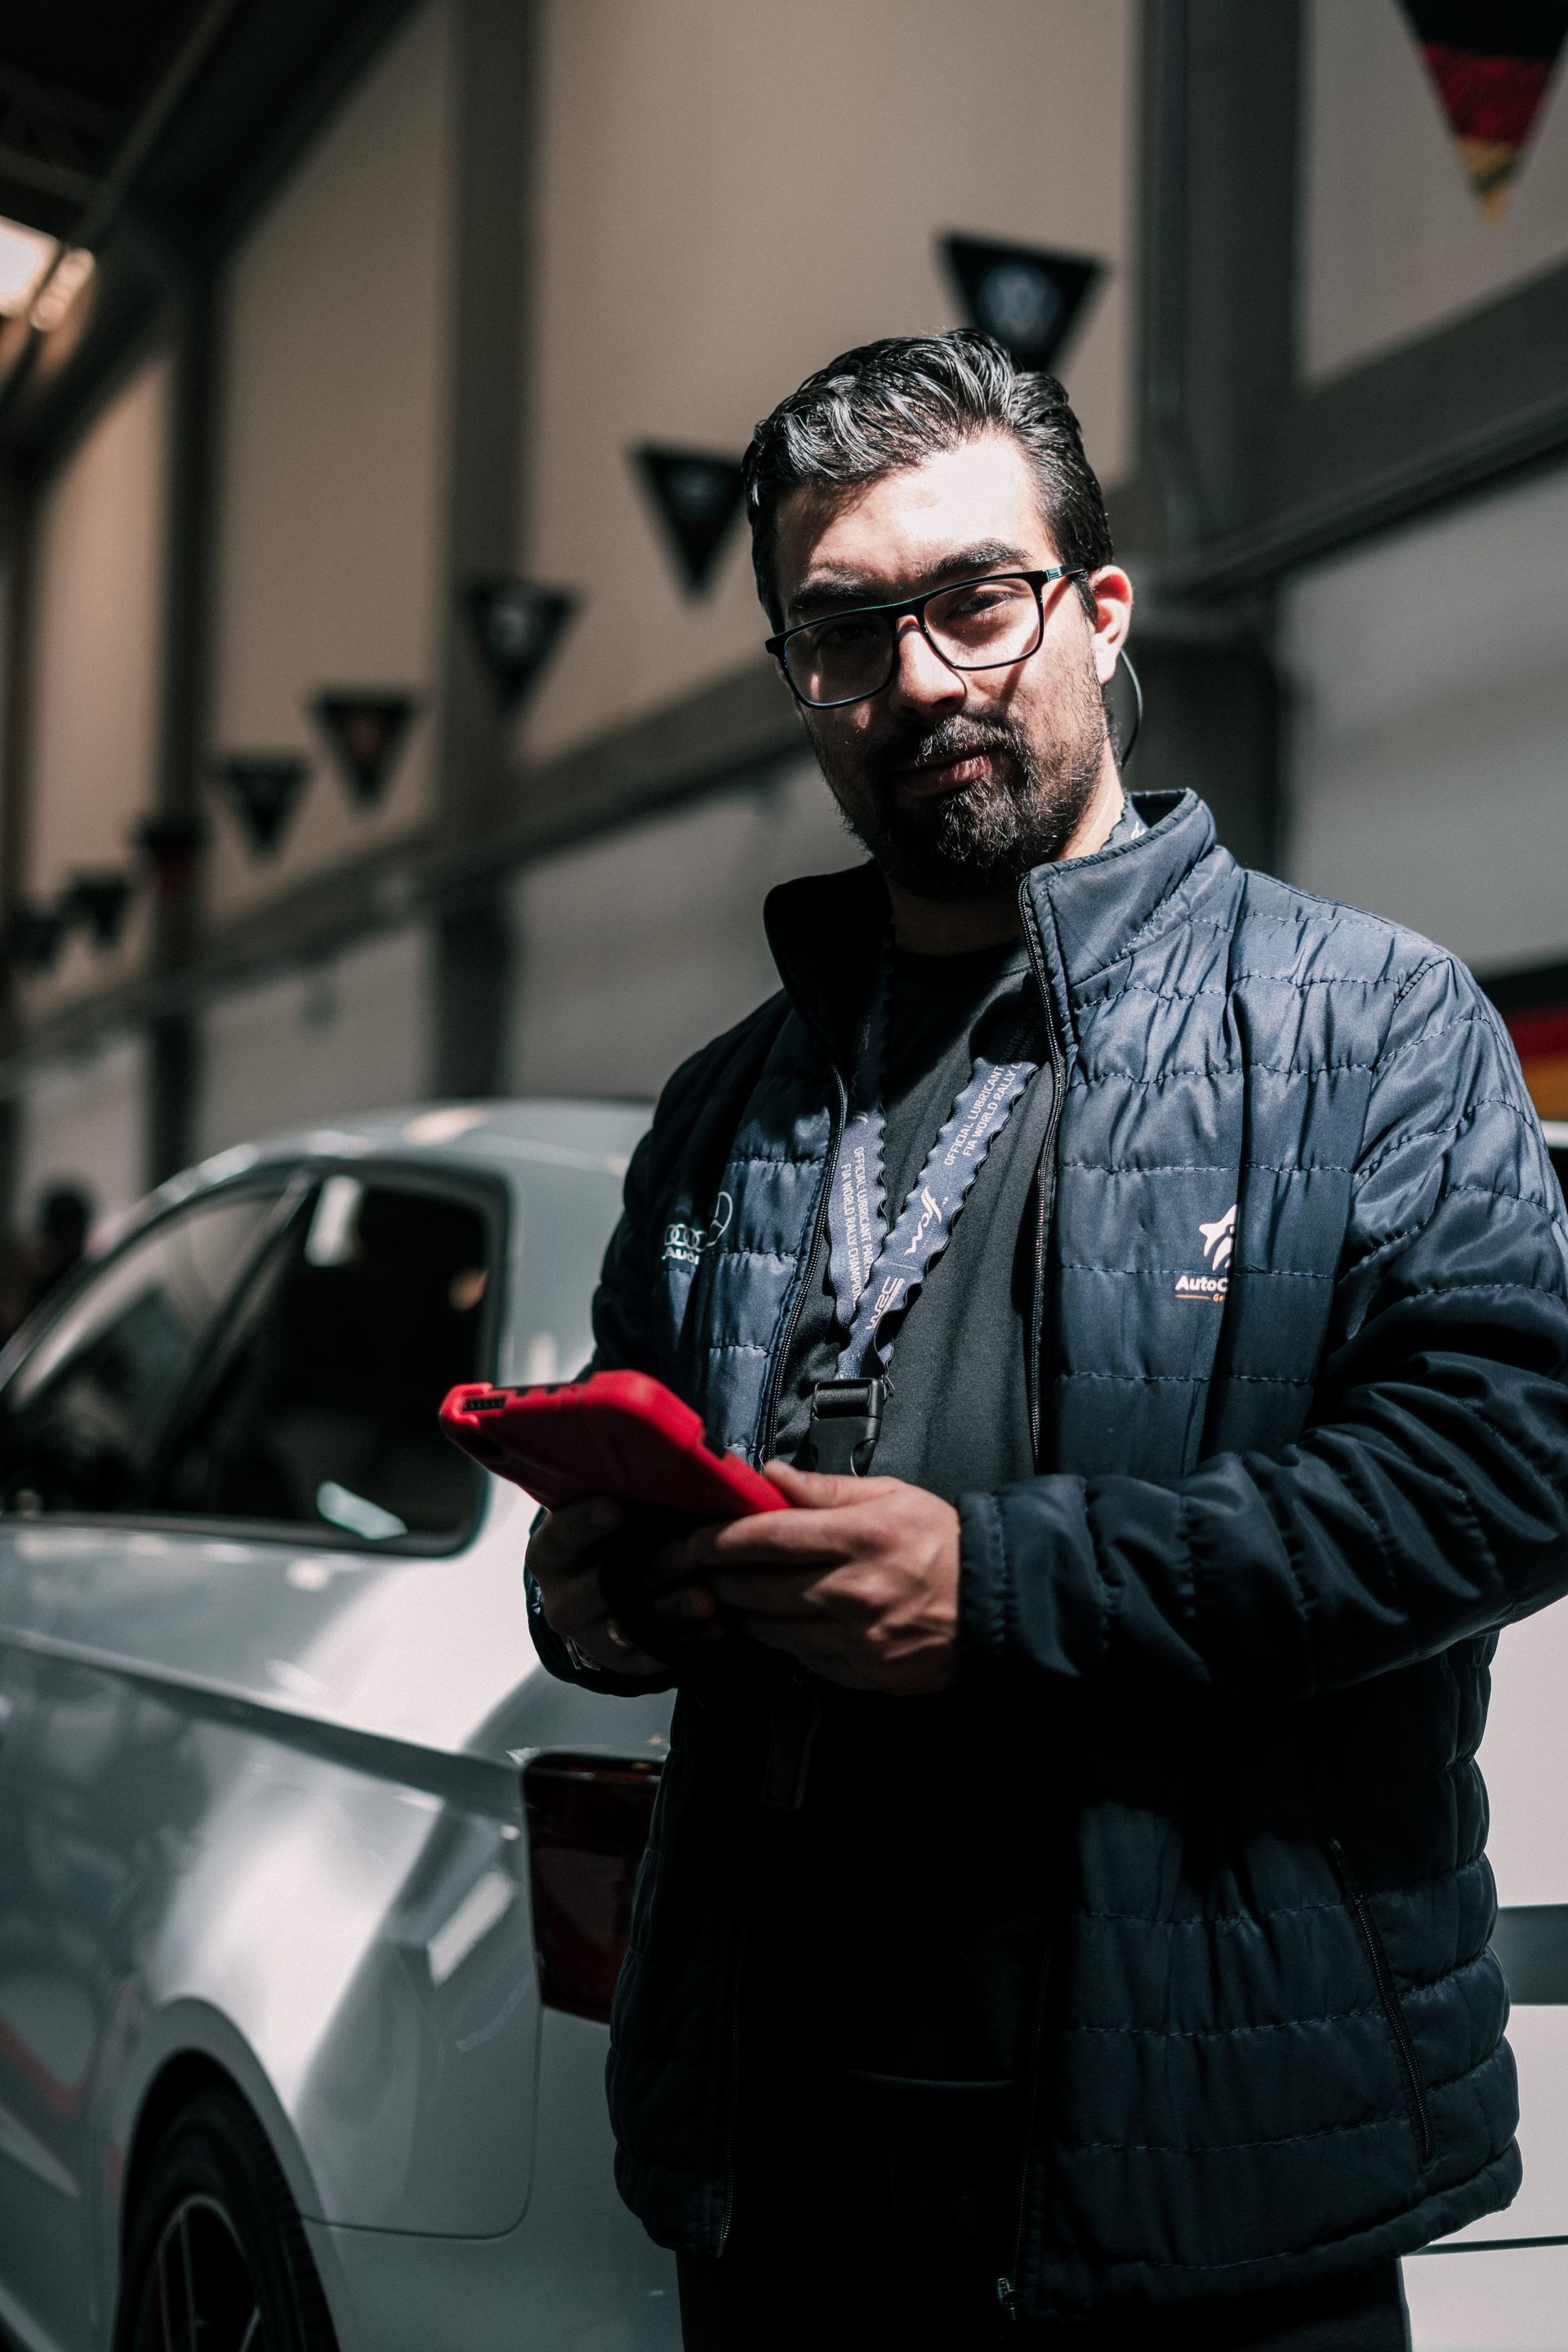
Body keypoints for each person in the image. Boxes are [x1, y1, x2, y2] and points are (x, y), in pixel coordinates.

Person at [526, 332, 1568, 2349]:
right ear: (797, 681)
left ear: (1095, 613)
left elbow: (1509, 1476)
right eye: (845, 632)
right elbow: (631, 1465)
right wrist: (601, 1599)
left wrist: (997, 1590)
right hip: (782, 2156)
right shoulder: (729, 1106)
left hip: (1204, 2167)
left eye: (972, 601)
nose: (918, 677)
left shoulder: (1364, 1025)